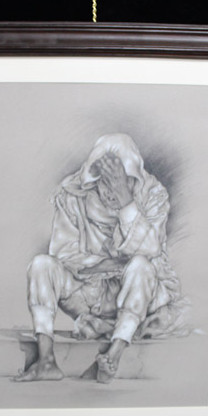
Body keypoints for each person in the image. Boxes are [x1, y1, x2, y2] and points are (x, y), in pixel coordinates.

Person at [15, 133, 185, 384]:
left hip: (138, 293)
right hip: (89, 294)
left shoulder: (153, 194)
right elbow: (63, 253)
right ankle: (46, 360)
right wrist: (107, 266)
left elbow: (150, 250)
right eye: (105, 183)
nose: (111, 192)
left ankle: (112, 356)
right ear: (93, 180)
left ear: (134, 179)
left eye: (121, 183)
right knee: (41, 264)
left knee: (140, 267)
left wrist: (126, 202)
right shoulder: (73, 194)